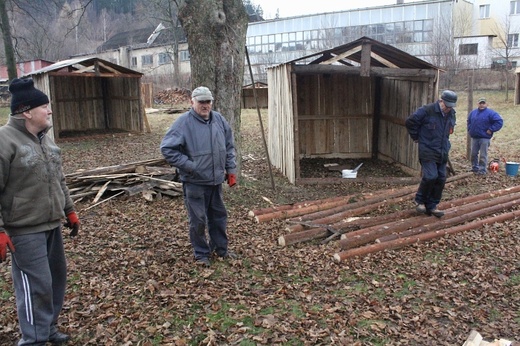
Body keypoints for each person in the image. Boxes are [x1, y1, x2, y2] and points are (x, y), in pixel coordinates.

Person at [0, 78, 80, 345]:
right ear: (26, 111)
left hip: (51, 224)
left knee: (55, 282)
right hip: (23, 230)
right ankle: (33, 339)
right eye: (45, 106)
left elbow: (59, 179)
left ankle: (47, 329)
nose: (50, 111)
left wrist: (69, 211)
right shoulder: (4, 141)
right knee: (36, 286)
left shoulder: (46, 140)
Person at [160, 86, 237, 267]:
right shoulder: (183, 123)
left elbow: (229, 146)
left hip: (216, 181)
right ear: (192, 102)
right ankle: (201, 254)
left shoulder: (219, 120)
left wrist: (230, 169)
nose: (205, 105)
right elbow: (167, 149)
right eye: (201, 101)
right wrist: (190, 166)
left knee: (219, 216)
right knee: (198, 220)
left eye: (208, 101)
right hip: (195, 182)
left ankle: (220, 249)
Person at [405, 90, 457, 218]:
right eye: (446, 105)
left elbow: (449, 131)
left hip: (442, 150)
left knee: (441, 178)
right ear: (441, 101)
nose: (448, 108)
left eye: (451, 106)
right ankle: (419, 200)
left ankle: (432, 205)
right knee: (430, 176)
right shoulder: (427, 110)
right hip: (428, 149)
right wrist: (417, 137)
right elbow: (410, 122)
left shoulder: (452, 114)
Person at [467, 97, 503, 175]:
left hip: (484, 137)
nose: (482, 105)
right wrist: (469, 129)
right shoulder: (473, 112)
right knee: (473, 154)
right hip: (475, 137)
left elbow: (499, 121)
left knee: (483, 154)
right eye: (480, 103)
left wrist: (491, 129)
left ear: (486, 104)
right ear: (478, 104)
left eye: (483, 103)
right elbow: (468, 121)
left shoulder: (491, 113)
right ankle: (474, 168)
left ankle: (482, 170)